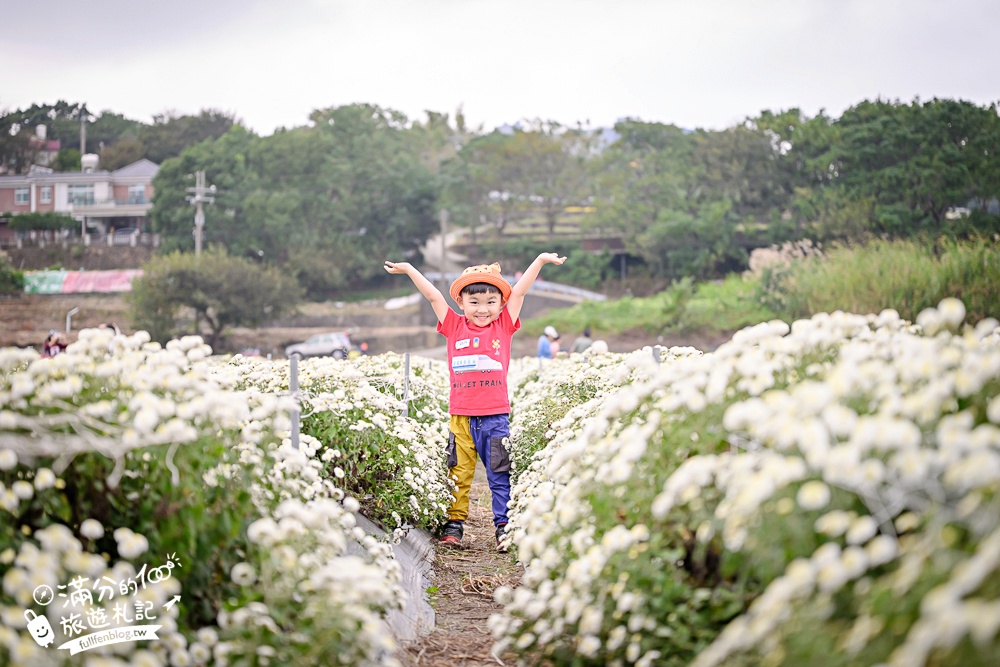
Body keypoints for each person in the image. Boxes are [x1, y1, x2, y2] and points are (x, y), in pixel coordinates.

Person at [384, 253, 566, 550]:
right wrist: (410, 270)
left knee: (499, 473)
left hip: (495, 417)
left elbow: (520, 292)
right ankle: (454, 525)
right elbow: (433, 296)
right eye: (475, 302)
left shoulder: (503, 325)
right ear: (461, 302)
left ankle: (504, 526)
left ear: (501, 303)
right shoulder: (453, 326)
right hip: (461, 417)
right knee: (459, 472)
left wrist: (540, 261)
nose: (483, 309)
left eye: (491, 302)